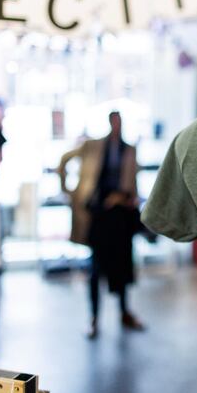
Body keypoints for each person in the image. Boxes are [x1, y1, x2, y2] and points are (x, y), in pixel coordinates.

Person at [58, 111, 144, 338]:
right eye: (114, 122)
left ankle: (124, 311)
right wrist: (69, 190)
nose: (117, 126)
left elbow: (132, 181)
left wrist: (126, 198)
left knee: (123, 266)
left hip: (121, 216)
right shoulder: (94, 146)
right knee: (96, 268)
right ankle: (94, 317)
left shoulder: (128, 149)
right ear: (109, 123)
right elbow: (65, 159)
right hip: (99, 215)